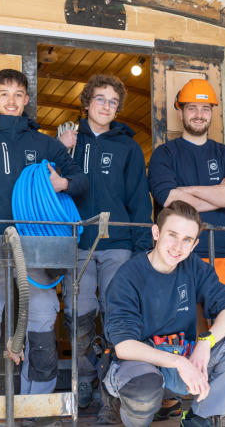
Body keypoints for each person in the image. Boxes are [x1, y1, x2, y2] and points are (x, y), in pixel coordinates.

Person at [0, 69, 89, 427]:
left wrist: (63, 182)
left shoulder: (45, 144)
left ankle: (37, 406)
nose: (11, 100)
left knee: (44, 314)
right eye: (4, 94)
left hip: (39, 245)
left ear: (27, 99)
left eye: (18, 94)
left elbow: (80, 179)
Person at [147, 79, 225, 420]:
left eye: (205, 108)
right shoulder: (165, 153)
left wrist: (190, 192)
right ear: (180, 111)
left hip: (223, 249)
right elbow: (168, 198)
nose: (199, 114)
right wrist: (215, 192)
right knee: (180, 322)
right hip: (178, 253)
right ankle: (173, 393)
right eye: (192, 107)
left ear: (212, 113)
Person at [102, 200, 225, 427]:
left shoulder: (193, 266)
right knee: (142, 394)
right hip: (144, 364)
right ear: (156, 232)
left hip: (186, 357)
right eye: (172, 235)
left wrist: (206, 342)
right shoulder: (129, 276)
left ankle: (201, 417)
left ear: (195, 243)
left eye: (187, 239)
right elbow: (124, 346)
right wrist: (179, 362)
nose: (178, 247)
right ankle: (138, 413)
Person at [56, 73, 153, 419]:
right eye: (100, 99)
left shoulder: (128, 146)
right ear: (86, 103)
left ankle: (111, 387)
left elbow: (139, 200)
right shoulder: (67, 139)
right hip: (77, 240)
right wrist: (62, 148)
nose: (106, 106)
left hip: (119, 242)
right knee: (77, 313)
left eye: (113, 102)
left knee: (118, 316)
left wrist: (144, 250)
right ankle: (82, 377)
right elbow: (48, 184)